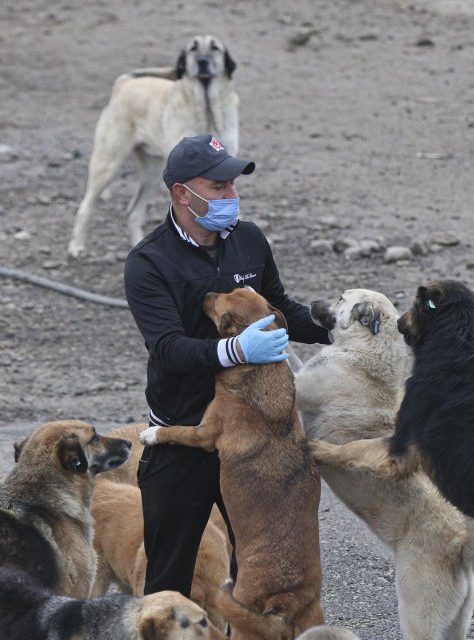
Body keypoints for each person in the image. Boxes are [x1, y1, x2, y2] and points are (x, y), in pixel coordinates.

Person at [123, 134, 331, 597]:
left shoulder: (249, 240)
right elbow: (167, 348)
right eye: (218, 187)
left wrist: (334, 325)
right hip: (183, 435)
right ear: (182, 193)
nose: (231, 197)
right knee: (167, 578)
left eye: (233, 186)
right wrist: (235, 353)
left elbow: (280, 307)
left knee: (262, 570)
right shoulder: (148, 262)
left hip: (256, 439)